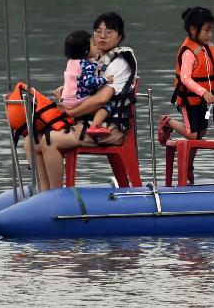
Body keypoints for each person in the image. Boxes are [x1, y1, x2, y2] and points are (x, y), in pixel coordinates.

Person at [26, 12, 138, 190]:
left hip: (108, 127)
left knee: (49, 141)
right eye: (98, 31)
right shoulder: (91, 61)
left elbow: (100, 99)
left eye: (109, 32)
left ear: (120, 37)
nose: (102, 36)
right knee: (32, 140)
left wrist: (70, 112)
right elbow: (81, 90)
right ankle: (44, 194)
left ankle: (55, 195)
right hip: (84, 121)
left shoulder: (119, 63)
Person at [158, 7, 214, 182]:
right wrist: (204, 92)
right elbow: (184, 78)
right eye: (207, 30)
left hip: (205, 102)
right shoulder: (189, 53)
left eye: (211, 30)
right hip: (190, 101)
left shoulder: (207, 49)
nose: (210, 35)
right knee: (193, 135)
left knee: (201, 132)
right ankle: (168, 122)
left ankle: (189, 167)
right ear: (193, 30)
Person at [60, 30, 114, 138]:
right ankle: (95, 126)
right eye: (94, 44)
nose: (97, 46)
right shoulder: (88, 65)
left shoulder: (71, 62)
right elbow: (89, 82)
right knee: (108, 105)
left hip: (66, 101)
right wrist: (105, 80)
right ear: (86, 51)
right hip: (77, 100)